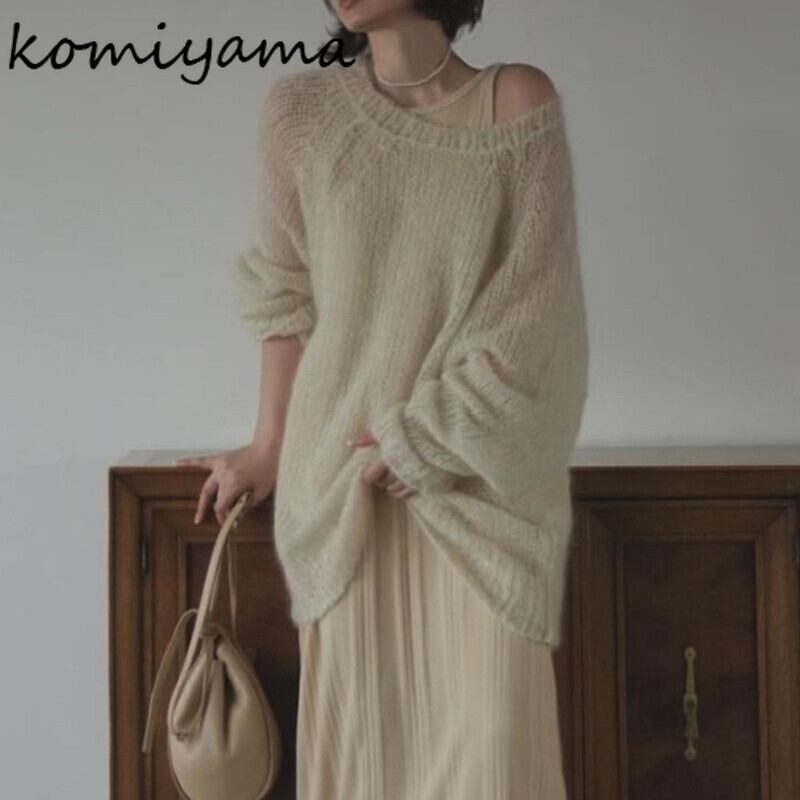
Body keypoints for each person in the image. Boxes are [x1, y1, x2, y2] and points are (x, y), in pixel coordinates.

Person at [178, 0, 589, 797]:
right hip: (346, 494)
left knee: (495, 759)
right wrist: (268, 445)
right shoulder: (299, 114)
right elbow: (282, 293)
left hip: (480, 498)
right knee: (367, 761)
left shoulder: (518, 100)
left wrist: (432, 436)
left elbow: (535, 308)